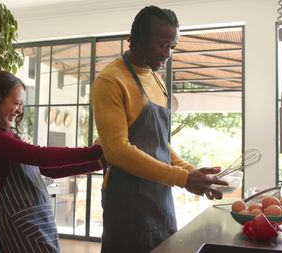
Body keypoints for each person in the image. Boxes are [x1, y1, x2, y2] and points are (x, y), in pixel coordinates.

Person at [91, 6, 228, 253]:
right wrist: (183, 179)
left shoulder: (156, 80)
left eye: (172, 46)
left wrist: (193, 173)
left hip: (159, 196)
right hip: (126, 199)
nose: (168, 54)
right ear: (140, 40)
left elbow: (159, 143)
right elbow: (117, 151)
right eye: (163, 45)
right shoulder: (110, 80)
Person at [0, 71, 103, 253]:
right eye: (16, 103)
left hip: (36, 221)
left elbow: (48, 169)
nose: (20, 110)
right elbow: (40, 156)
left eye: (22, 104)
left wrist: (97, 163)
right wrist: (94, 152)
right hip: (22, 223)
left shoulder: (3, 135)